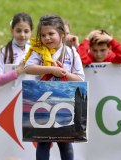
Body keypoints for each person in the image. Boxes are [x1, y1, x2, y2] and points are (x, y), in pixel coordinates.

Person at [24, 14, 85, 160]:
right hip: (41, 100)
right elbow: (28, 68)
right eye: (43, 35)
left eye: (51, 34)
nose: (47, 38)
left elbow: (80, 78)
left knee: (65, 142)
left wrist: (63, 72)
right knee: (43, 142)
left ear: (62, 34)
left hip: (65, 101)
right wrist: (50, 69)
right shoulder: (38, 51)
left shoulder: (72, 53)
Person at [0, 12, 33, 86]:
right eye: (18, 31)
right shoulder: (4, 52)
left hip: (30, 94)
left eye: (26, 31)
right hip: (11, 95)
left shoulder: (35, 51)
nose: (22, 34)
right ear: (12, 30)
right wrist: (17, 71)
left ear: (31, 32)